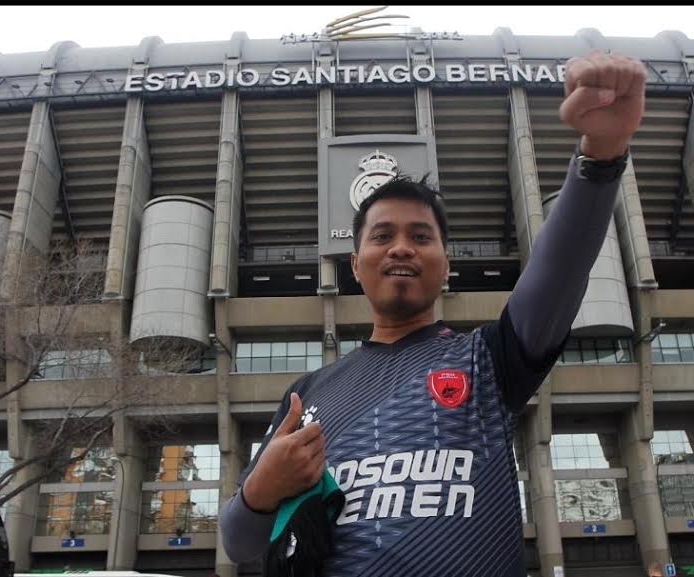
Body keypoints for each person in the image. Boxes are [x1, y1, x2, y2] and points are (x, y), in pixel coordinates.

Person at [219, 51, 647, 576]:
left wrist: (601, 155)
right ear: (356, 265)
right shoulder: (308, 394)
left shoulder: (488, 362)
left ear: (445, 265)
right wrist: (262, 489)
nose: (402, 248)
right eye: (383, 236)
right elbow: (239, 543)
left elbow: (559, 271)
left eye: (421, 237)